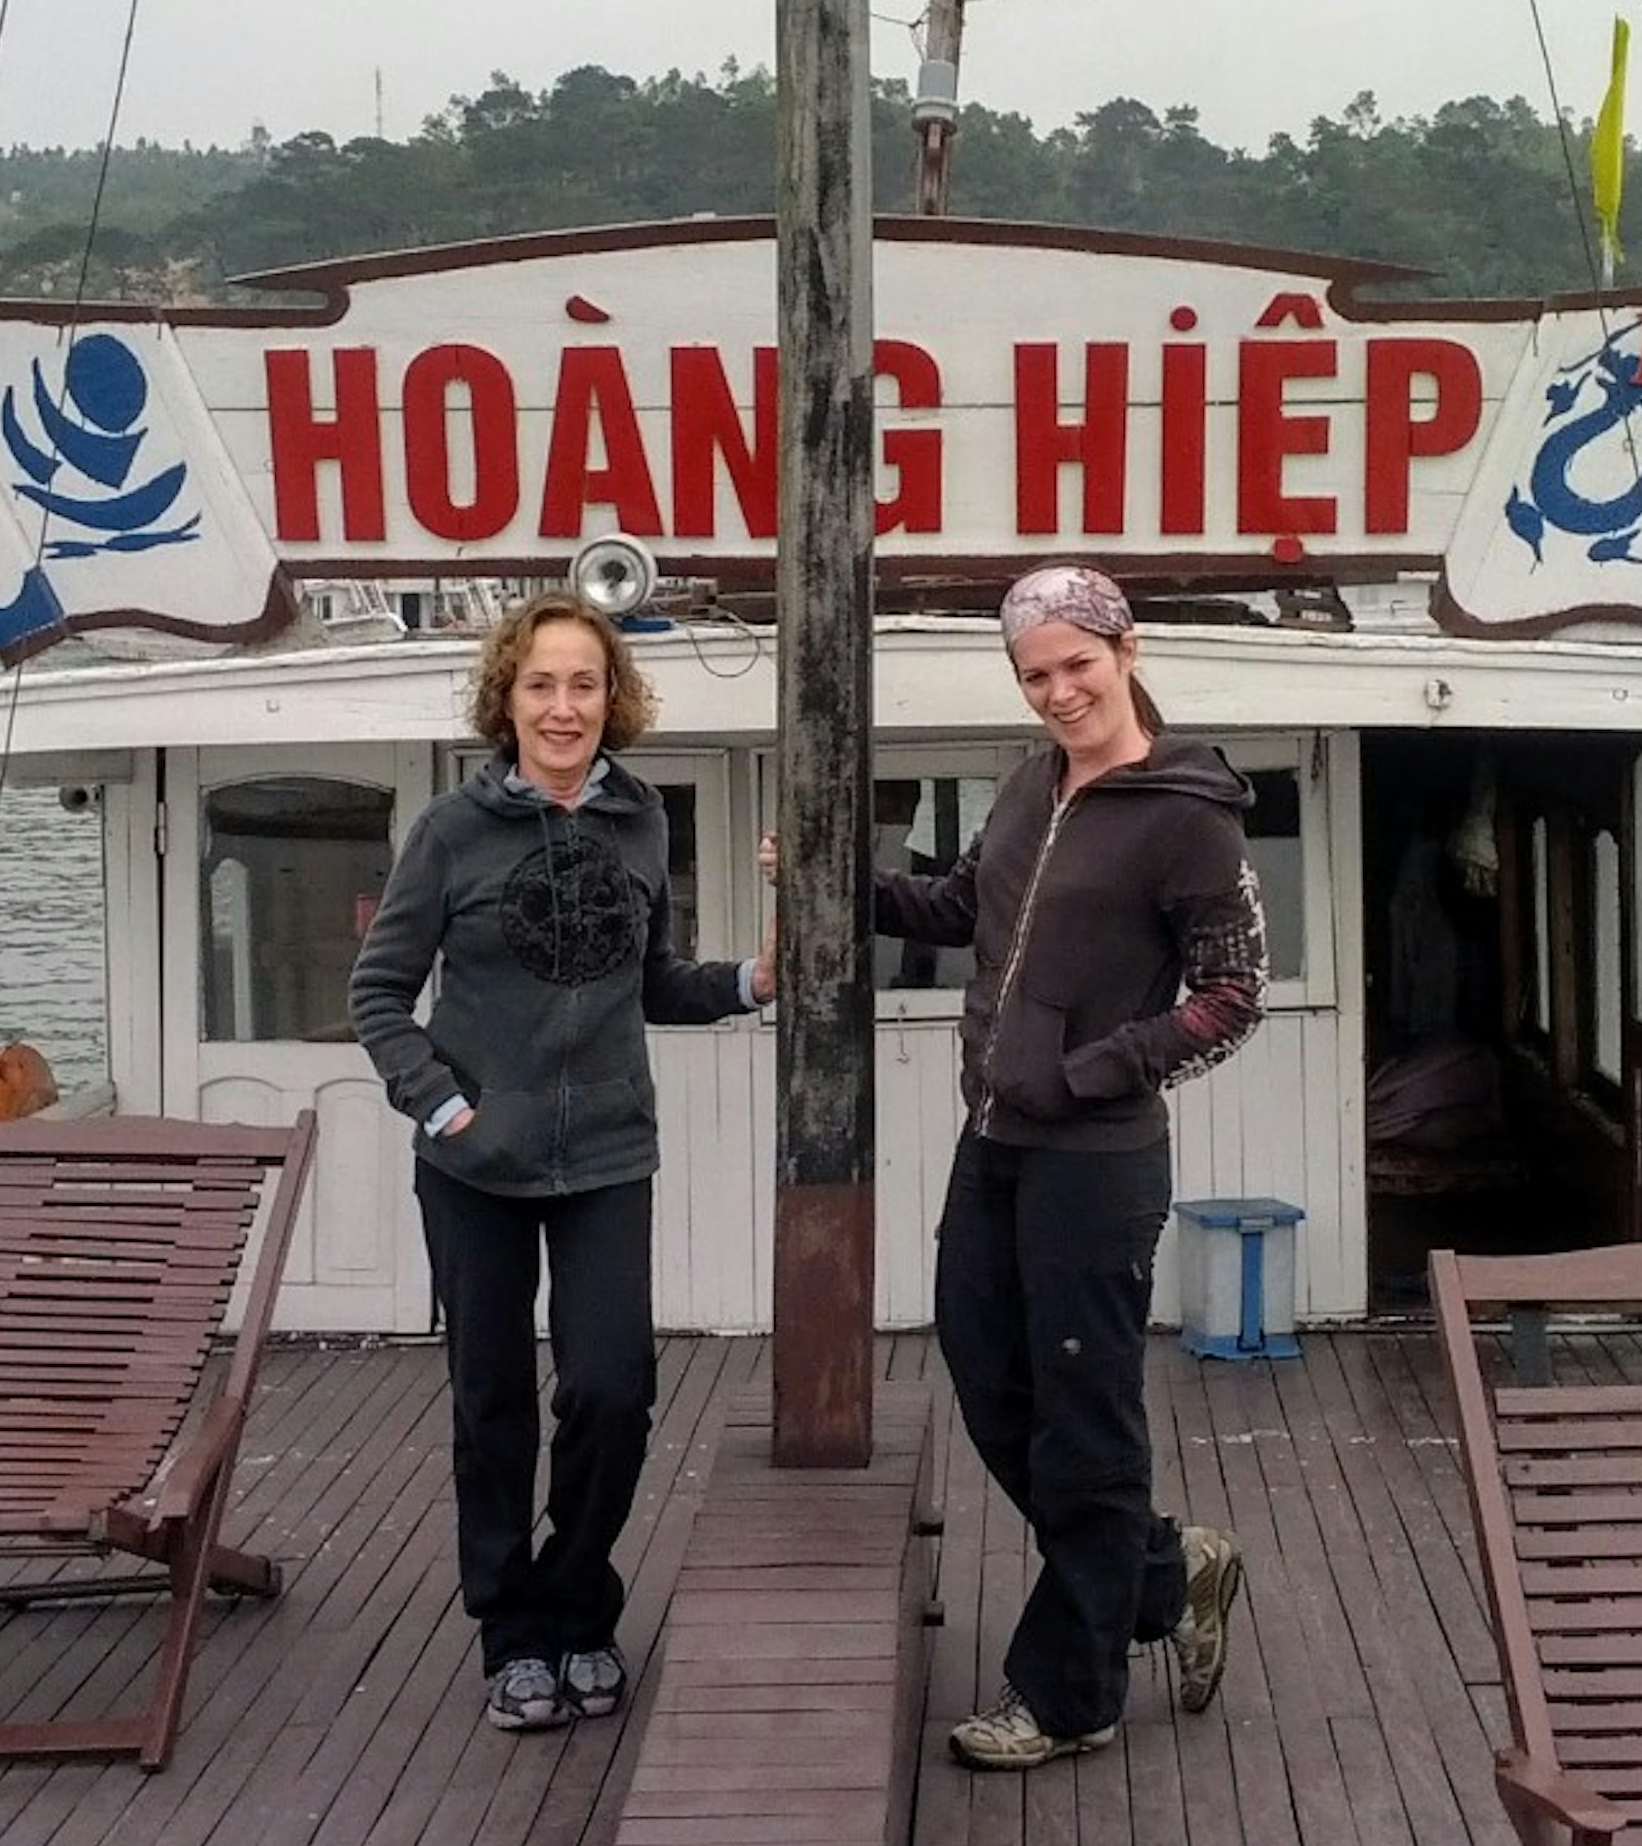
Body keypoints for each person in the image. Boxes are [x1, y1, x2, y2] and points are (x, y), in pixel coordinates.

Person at [349, 593, 772, 1733]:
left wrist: (749, 985)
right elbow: (378, 996)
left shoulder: (642, 822)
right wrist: (445, 1114)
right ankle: (513, 1632)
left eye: (585, 684)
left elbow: (653, 981)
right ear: (509, 696)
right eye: (542, 683)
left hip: (607, 1157)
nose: (564, 705)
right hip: (473, 1166)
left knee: (611, 1393)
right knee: (490, 1403)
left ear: (612, 698)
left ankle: (581, 1599)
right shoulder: (449, 831)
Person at [872, 563, 1266, 1769]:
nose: (1057, 691)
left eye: (1075, 665)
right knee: (989, 1377)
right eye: (1034, 674)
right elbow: (968, 910)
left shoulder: (1188, 813)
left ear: (1127, 650)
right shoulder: (1028, 788)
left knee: (1085, 1425)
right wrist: (854, 884)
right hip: (992, 1144)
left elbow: (1232, 998)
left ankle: (1070, 1696)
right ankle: (1168, 1568)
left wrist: (1091, 1070)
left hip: (1096, 1161)